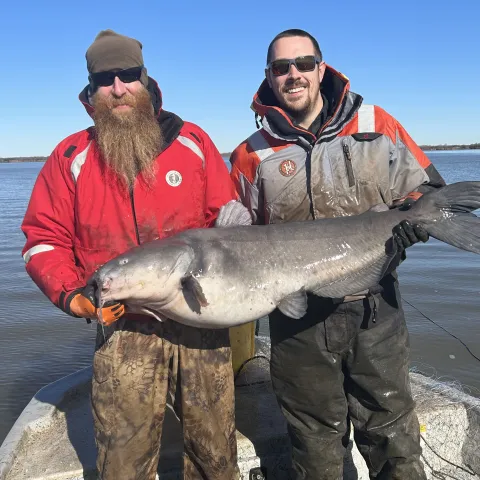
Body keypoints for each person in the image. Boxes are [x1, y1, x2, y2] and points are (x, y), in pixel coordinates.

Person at [21, 29, 240, 480]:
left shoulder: (194, 142)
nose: (118, 88)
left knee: (215, 454)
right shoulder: (71, 157)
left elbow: (231, 227)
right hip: (123, 327)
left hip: (201, 319)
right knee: (123, 462)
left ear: (146, 78)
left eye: (127, 75)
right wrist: (71, 295)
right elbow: (43, 239)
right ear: (91, 89)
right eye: (105, 79)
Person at [230, 28, 446, 479]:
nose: (294, 75)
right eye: (281, 68)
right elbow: (237, 239)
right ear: (268, 78)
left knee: (392, 433)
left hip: (374, 310)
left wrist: (412, 223)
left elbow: (428, 190)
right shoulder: (250, 155)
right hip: (297, 322)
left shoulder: (375, 123)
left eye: (303, 64)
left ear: (321, 69)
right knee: (313, 442)